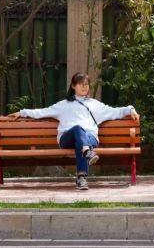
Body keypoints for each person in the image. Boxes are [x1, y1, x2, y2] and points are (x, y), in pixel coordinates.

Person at [8, 72, 139, 190]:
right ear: (73, 86)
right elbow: (42, 112)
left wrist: (130, 109)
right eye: (81, 84)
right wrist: (22, 112)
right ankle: (88, 153)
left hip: (89, 138)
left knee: (81, 144)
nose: (85, 87)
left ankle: (82, 178)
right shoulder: (63, 105)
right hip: (67, 138)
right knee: (78, 128)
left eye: (86, 84)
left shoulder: (94, 104)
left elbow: (114, 111)